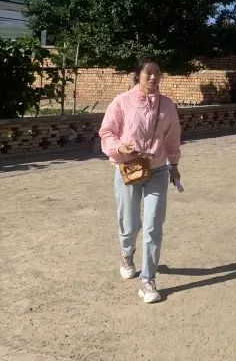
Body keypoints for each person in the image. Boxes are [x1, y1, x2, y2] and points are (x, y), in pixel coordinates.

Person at [99, 56, 182, 304]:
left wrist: (174, 165)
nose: (153, 77)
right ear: (138, 75)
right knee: (129, 223)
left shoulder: (167, 106)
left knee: (153, 225)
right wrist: (118, 147)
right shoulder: (122, 102)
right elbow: (107, 132)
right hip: (128, 168)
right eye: (148, 72)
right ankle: (127, 253)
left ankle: (148, 279)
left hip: (158, 171)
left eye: (157, 72)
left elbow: (173, 138)